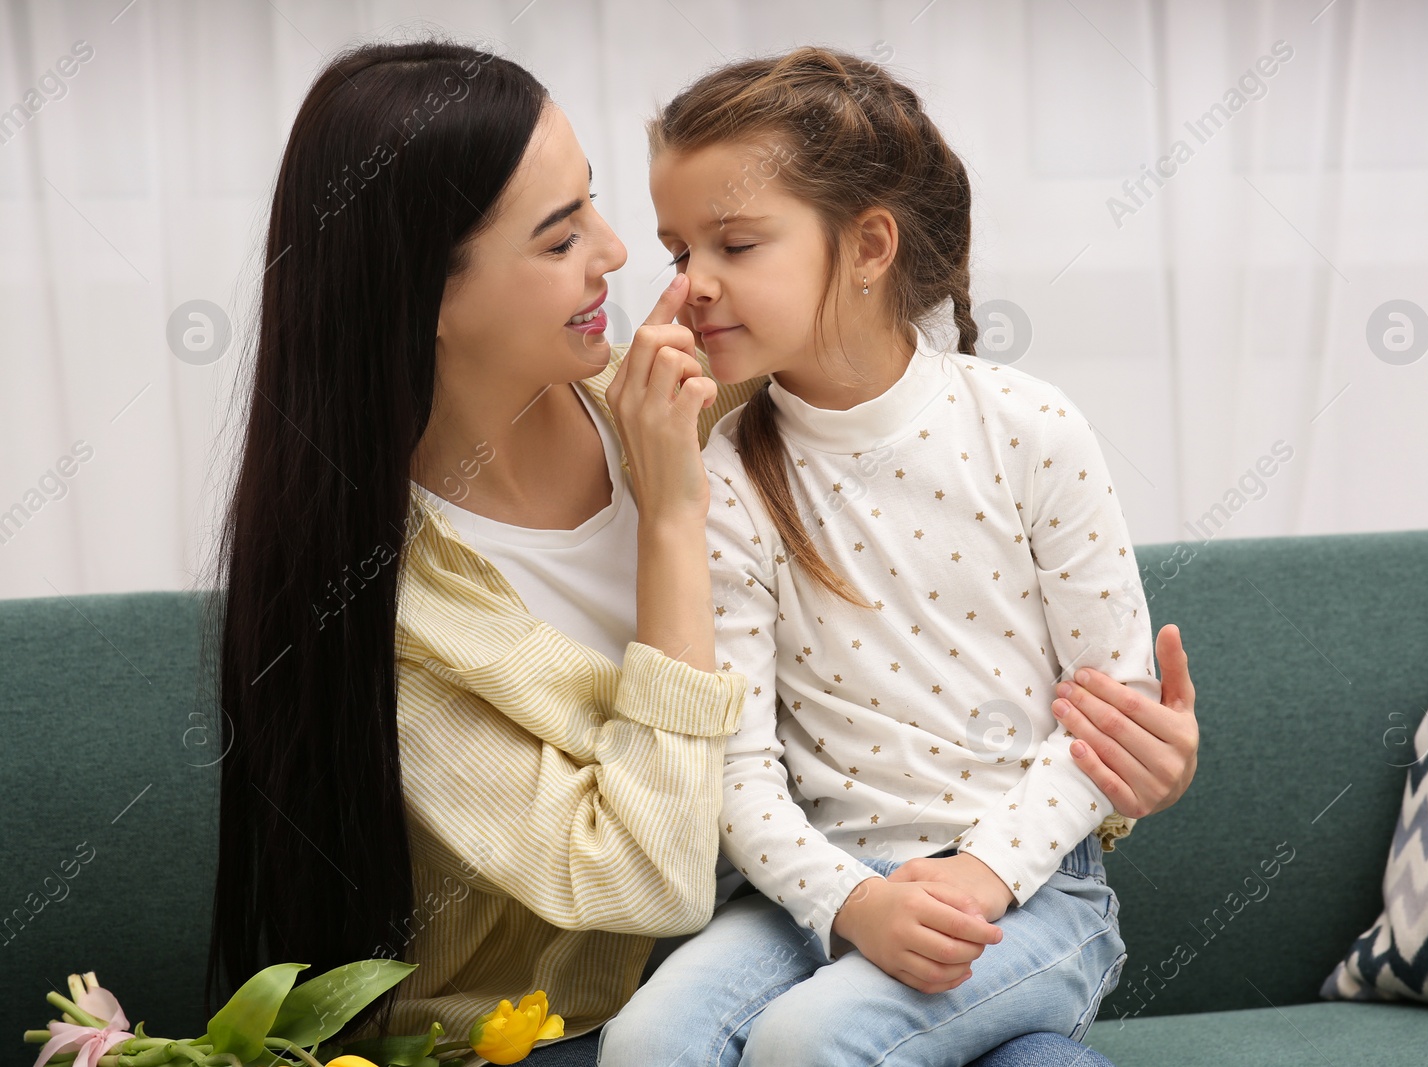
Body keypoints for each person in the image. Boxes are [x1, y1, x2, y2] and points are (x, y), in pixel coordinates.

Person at [203, 38, 1199, 1067]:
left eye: (594, 203)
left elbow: (1003, 666)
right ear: (426, 297)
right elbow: (654, 878)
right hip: (553, 1028)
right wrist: (671, 518)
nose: (625, 256)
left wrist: (1127, 769)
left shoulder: (713, 396)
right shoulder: (399, 611)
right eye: (558, 239)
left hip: (892, 907)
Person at [598, 47, 1152, 1066]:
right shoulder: (721, 470)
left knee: (811, 1040)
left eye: (735, 243)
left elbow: (1112, 709)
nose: (692, 287)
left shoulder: (1030, 427)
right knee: (644, 1042)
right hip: (816, 883)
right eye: (679, 252)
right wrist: (849, 899)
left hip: (1030, 895)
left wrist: (982, 872)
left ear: (868, 246)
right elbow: (739, 765)